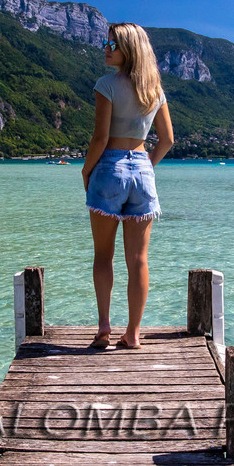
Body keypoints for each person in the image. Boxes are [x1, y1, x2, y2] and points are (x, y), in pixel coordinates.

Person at [81, 23, 174, 350]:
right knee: (138, 259)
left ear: (129, 49)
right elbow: (167, 140)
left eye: (114, 44)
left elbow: (100, 138)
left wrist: (86, 170)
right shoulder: (154, 90)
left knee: (103, 255)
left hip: (109, 168)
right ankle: (133, 334)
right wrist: (146, 165)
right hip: (143, 172)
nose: (107, 48)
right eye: (107, 42)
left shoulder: (106, 85)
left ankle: (105, 327)